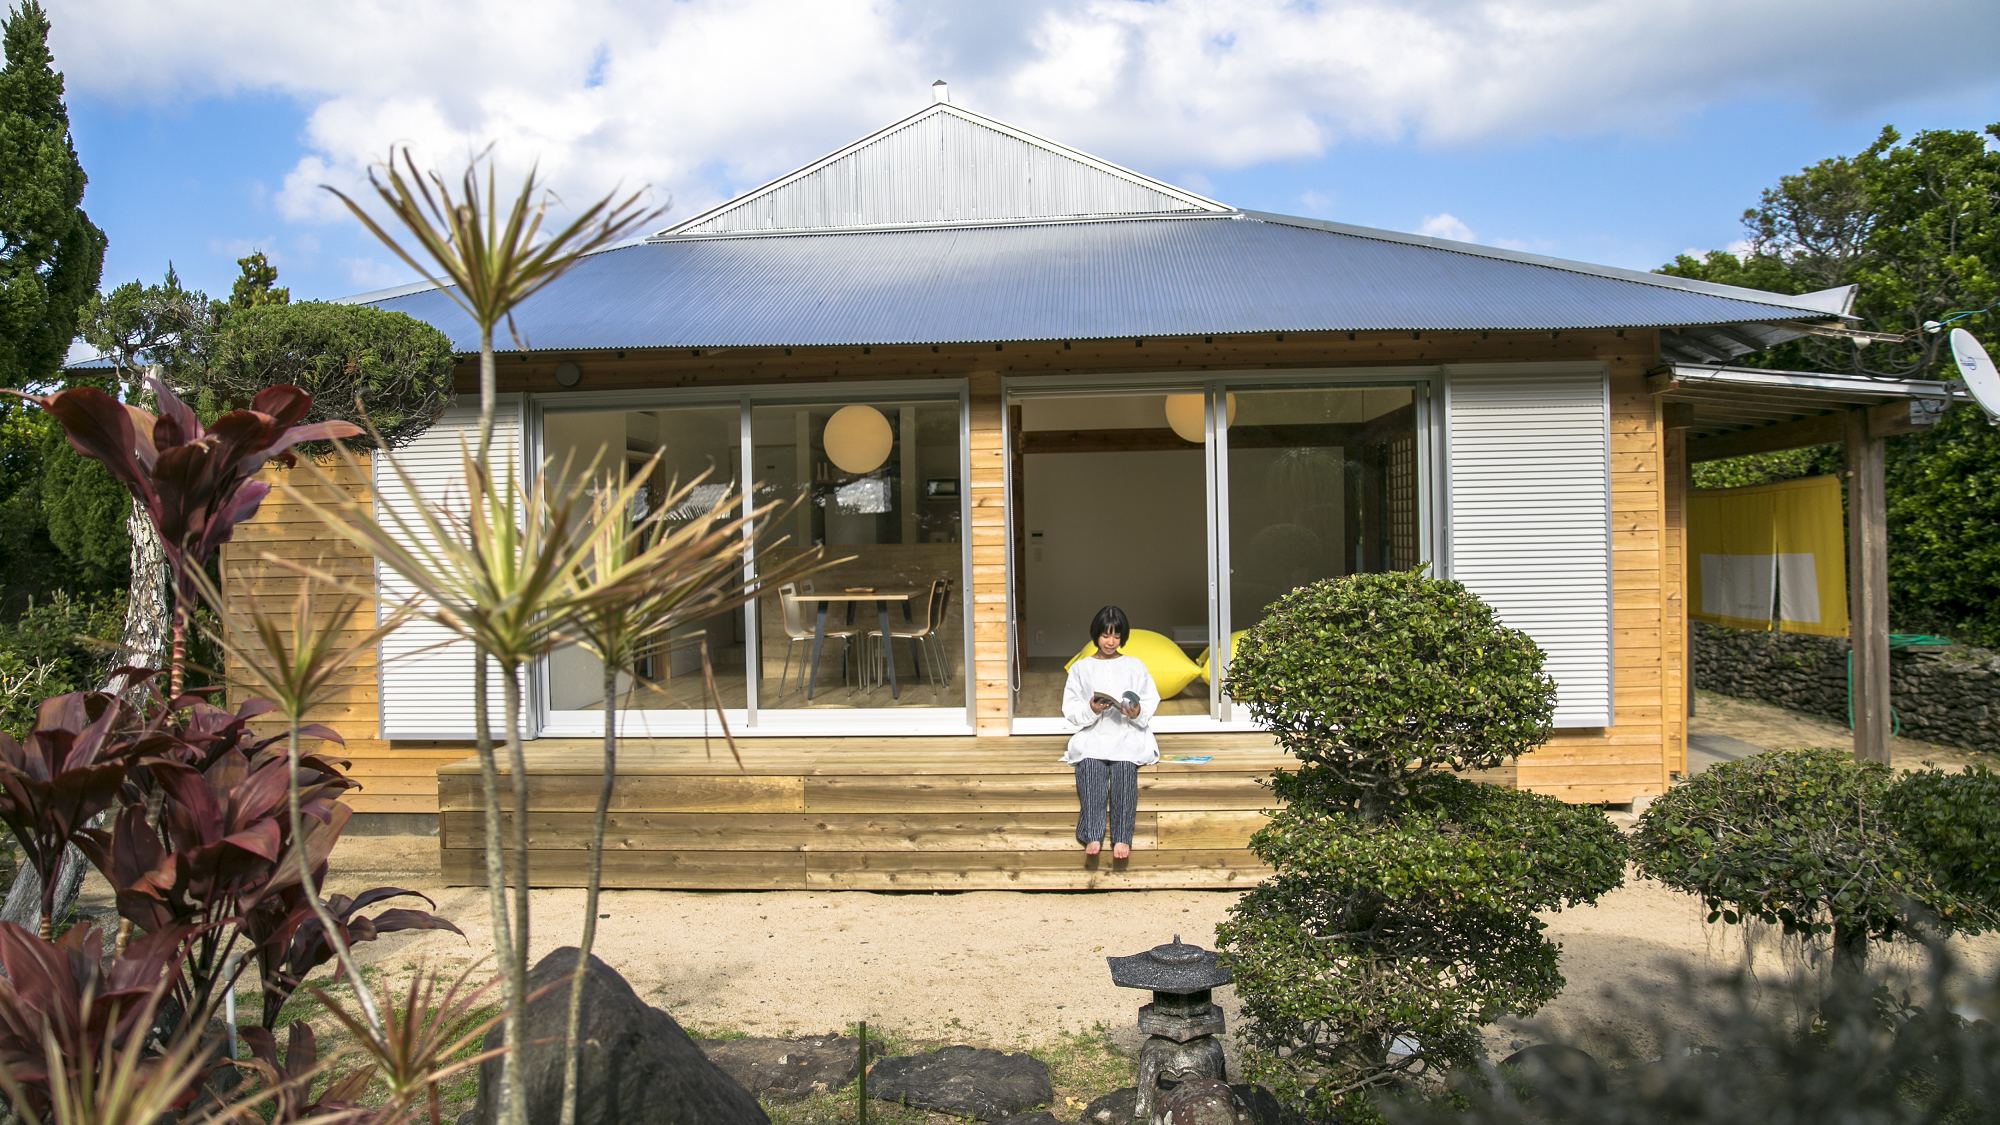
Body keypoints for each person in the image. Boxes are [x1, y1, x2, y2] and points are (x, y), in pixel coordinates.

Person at [1060, 605, 1160, 859]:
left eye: (1116, 636)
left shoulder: (1135, 666)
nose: (1111, 642)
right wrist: (1091, 709)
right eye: (1106, 635)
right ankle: (1092, 834)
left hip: (1126, 732)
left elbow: (1149, 700)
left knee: (1125, 767)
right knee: (1090, 765)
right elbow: (1070, 709)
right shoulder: (1081, 669)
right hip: (1094, 732)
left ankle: (1122, 837)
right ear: (1096, 635)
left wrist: (1135, 712)